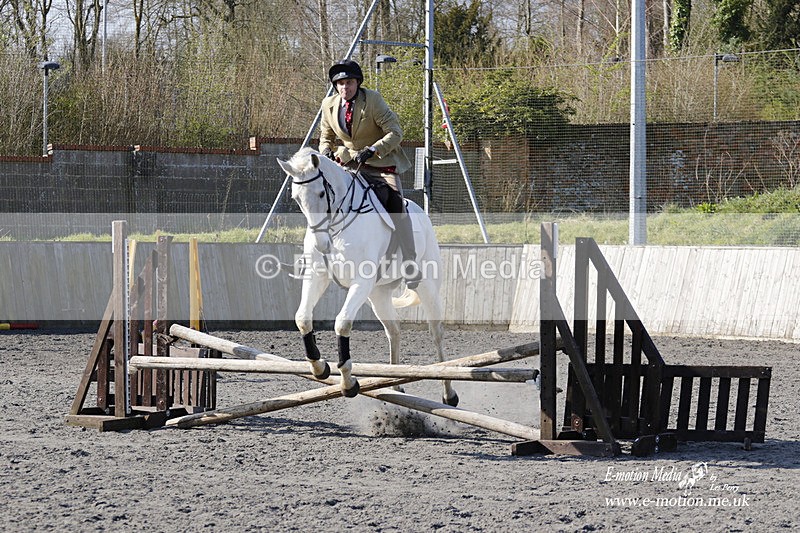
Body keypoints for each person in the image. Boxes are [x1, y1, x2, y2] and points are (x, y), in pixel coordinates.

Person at [318, 59, 420, 286]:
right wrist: (325, 150)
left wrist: (373, 149)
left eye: (350, 82)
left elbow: (395, 132)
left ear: (358, 83)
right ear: (336, 86)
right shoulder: (328, 105)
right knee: (323, 197)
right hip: (349, 165)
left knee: (396, 204)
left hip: (380, 164)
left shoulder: (373, 100)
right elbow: (326, 137)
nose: (346, 87)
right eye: (341, 83)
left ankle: (410, 263)